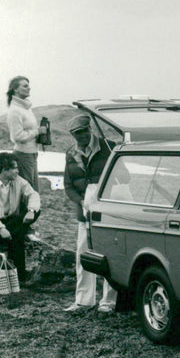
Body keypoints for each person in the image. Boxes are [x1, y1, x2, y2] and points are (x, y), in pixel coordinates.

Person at [63, 114, 118, 314]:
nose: (81, 137)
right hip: (84, 213)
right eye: (77, 134)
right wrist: (81, 202)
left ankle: (109, 302)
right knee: (82, 254)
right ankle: (83, 301)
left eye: (84, 132)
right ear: (72, 135)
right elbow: (68, 186)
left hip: (107, 211)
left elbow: (124, 176)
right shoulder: (70, 154)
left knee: (110, 255)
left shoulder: (109, 147)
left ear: (90, 130)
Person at [0, 152, 41, 283]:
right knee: (18, 234)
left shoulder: (18, 181)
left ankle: (17, 273)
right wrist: (0, 229)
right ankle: (20, 276)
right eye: (14, 168)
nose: (17, 171)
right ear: (4, 169)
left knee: (35, 211)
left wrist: (31, 210)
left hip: (11, 222)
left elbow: (33, 195)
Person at [6, 76, 46, 242]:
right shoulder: (15, 110)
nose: (28, 89)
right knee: (26, 192)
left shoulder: (26, 108)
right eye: (25, 86)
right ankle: (23, 228)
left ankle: (26, 226)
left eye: (28, 86)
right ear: (15, 89)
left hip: (31, 153)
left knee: (32, 190)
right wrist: (38, 132)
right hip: (22, 154)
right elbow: (17, 136)